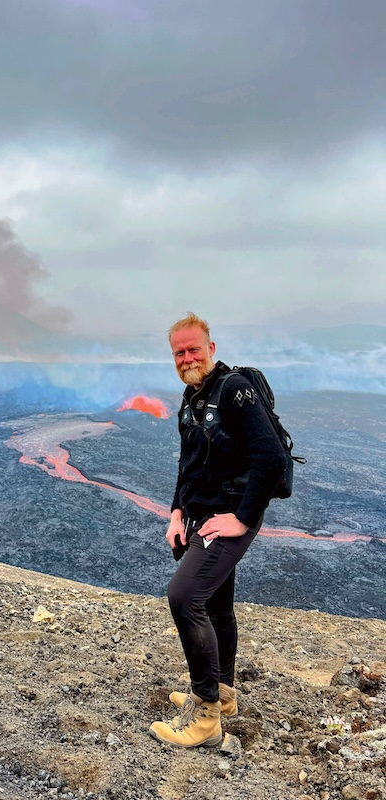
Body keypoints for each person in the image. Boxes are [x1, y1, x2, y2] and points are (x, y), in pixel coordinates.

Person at [149, 312, 286, 748]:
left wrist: (242, 518)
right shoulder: (191, 400)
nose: (187, 357)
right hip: (202, 515)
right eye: (179, 352)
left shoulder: (234, 391)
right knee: (217, 605)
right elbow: (187, 466)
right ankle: (224, 694)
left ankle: (205, 714)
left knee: (185, 597)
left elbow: (271, 458)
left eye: (193, 349)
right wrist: (176, 514)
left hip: (229, 516)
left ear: (211, 349)